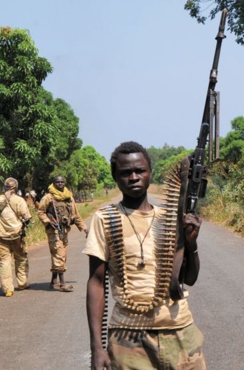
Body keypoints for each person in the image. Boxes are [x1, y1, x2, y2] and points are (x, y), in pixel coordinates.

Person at [84, 141, 205, 369]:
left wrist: (191, 244)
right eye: (125, 173)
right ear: (115, 177)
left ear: (150, 173)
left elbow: (189, 279)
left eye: (139, 170)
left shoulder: (170, 218)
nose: (133, 177)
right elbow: (97, 282)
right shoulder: (104, 219)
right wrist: (96, 348)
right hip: (127, 336)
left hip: (178, 329)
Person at [37, 175, 88, 292]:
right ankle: (62, 283)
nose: (60, 184)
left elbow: (76, 215)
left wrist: (85, 229)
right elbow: (40, 212)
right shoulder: (48, 198)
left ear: (64, 183)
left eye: (62, 182)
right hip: (54, 231)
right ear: (53, 183)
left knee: (62, 254)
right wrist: (48, 222)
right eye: (57, 182)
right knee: (59, 254)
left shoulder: (69, 197)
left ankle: (53, 281)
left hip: (65, 230)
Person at [0, 177, 32, 297]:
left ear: (4, 187)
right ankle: (22, 283)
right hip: (17, 236)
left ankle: (8, 290)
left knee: (4, 262)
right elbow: (27, 218)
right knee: (21, 258)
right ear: (16, 188)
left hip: (1, 236)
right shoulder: (19, 200)